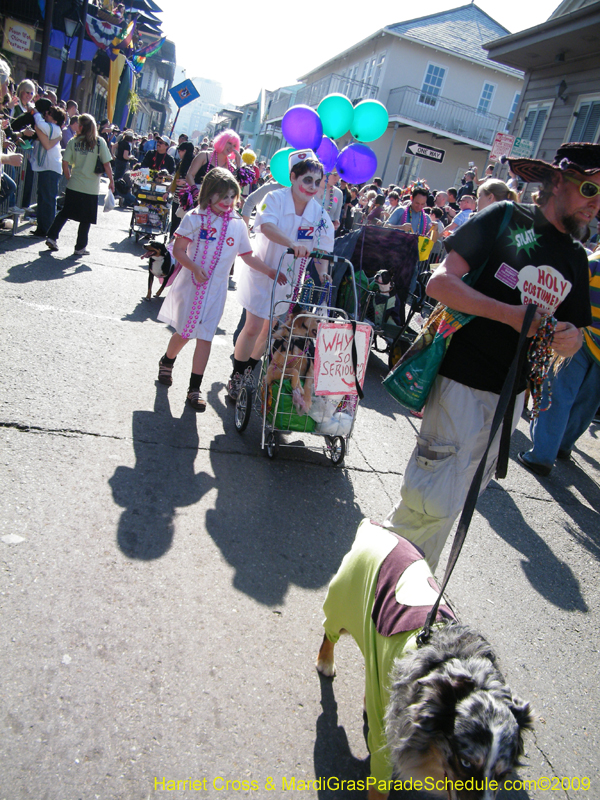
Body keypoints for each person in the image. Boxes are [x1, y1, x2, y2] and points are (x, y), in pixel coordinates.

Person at [383, 142, 597, 571]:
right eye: (591, 190)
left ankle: (413, 596)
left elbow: (574, 333)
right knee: (429, 500)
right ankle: (381, 592)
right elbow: (440, 284)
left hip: (510, 400)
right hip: (461, 383)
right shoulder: (505, 218)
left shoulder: (575, 257)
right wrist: (510, 315)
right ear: (558, 182)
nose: (598, 205)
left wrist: (570, 341)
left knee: (456, 502)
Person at [155, 168, 279, 412]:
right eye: (223, 195)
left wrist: (270, 271)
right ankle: (167, 359)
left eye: (233, 196)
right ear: (209, 194)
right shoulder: (194, 218)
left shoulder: (237, 224)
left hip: (217, 291)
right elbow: (178, 249)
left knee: (206, 337)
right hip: (191, 287)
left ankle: (194, 389)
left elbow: (247, 255)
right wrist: (193, 267)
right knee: (185, 332)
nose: (228, 201)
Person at [227, 149, 335, 400]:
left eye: (317, 182)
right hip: (264, 272)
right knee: (253, 327)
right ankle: (237, 375)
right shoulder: (274, 198)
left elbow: (323, 249)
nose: (312, 187)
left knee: (269, 330)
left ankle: (249, 374)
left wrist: (324, 273)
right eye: (306, 180)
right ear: (293, 177)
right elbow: (265, 225)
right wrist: (292, 243)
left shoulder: (319, 214)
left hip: (290, 281)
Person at [518, 249, 600, 476]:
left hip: (581, 337)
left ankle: (542, 455)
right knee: (588, 401)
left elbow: (570, 298)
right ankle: (563, 444)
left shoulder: (593, 263)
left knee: (557, 394)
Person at [45, 114, 114, 256]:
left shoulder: (73, 141)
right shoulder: (99, 142)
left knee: (65, 212)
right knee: (86, 219)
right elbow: (106, 163)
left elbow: (65, 162)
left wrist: (68, 177)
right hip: (91, 187)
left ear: (81, 127)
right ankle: (80, 247)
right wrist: (111, 181)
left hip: (75, 184)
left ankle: (52, 237)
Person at [29, 104, 66, 238]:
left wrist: (35, 112)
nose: (46, 114)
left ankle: (48, 229)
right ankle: (42, 227)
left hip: (51, 167)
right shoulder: (53, 129)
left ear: (55, 120)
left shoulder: (53, 128)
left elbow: (39, 124)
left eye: (49, 113)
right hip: (47, 167)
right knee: (43, 197)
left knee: (48, 199)